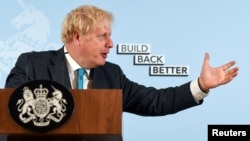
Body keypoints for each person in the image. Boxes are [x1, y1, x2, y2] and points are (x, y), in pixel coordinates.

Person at [5, 5, 239, 116]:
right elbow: (12, 110)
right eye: (102, 36)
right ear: (77, 37)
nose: (111, 44)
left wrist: (201, 85)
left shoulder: (112, 74)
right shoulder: (31, 64)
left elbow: (155, 102)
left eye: (110, 36)